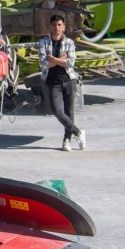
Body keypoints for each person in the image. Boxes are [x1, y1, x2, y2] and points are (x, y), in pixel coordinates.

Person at [38, 14, 86, 151]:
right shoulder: (43, 42)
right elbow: (43, 64)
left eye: (59, 25)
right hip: (53, 83)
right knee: (57, 111)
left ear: (64, 27)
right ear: (49, 26)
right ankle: (78, 133)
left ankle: (67, 140)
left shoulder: (69, 42)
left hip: (69, 81)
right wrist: (61, 60)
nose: (57, 27)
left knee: (69, 112)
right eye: (54, 25)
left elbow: (70, 63)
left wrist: (52, 59)